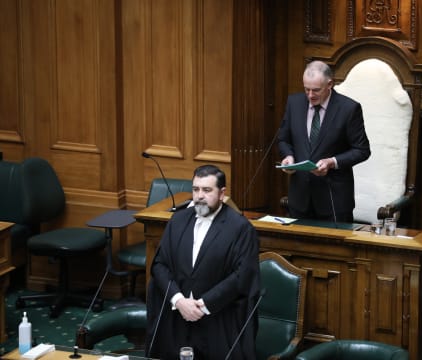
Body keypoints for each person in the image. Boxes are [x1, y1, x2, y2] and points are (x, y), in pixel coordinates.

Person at [145, 165, 260, 360]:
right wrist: (179, 300)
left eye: (207, 190)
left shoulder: (241, 228)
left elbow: (243, 275)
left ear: (222, 194)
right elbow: (159, 265)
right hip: (177, 318)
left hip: (218, 321)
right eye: (196, 189)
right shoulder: (178, 220)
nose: (199, 196)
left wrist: (203, 305)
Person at [277, 60, 371, 223]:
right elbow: (283, 139)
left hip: (333, 200)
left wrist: (332, 162)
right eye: (306, 89)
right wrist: (289, 156)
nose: (310, 95)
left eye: (316, 90)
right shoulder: (295, 103)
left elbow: (362, 150)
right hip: (299, 198)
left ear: (330, 84)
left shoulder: (348, 109)